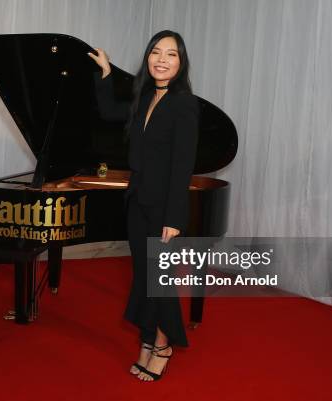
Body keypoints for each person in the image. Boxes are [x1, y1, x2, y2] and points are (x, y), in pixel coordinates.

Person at [88, 30, 200, 382]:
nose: (162, 59)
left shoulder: (184, 104)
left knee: (160, 280)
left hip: (164, 207)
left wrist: (174, 218)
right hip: (137, 201)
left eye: (171, 54)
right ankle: (147, 339)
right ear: (148, 57)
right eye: (156, 52)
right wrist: (106, 72)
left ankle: (163, 345)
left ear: (181, 64)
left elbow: (183, 166)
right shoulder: (145, 95)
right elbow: (107, 111)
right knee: (144, 279)